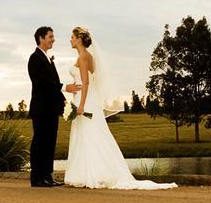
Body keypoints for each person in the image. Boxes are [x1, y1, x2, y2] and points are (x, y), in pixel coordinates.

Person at [63, 26, 177, 190]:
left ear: (79, 39)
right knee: (91, 134)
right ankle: (90, 171)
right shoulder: (89, 56)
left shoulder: (82, 57)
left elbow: (86, 82)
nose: (70, 40)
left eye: (72, 37)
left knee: (88, 134)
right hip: (88, 97)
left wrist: (80, 105)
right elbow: (90, 79)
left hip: (85, 99)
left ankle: (91, 173)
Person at [28, 26, 80, 187]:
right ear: (41, 38)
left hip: (51, 109)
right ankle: (37, 178)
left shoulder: (48, 58)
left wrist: (64, 102)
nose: (53, 39)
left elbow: (52, 84)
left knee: (50, 142)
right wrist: (65, 87)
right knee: (40, 142)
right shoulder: (34, 58)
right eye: (50, 36)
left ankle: (47, 176)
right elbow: (43, 83)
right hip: (41, 109)